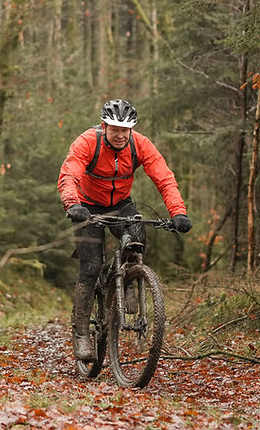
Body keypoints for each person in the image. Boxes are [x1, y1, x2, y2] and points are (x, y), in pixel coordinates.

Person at [58, 98, 192, 363]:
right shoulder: (87, 142)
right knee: (91, 266)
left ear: (131, 129)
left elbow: (164, 178)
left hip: (121, 205)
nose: (120, 135)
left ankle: (129, 280)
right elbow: (69, 173)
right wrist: (73, 204)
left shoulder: (140, 145)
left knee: (137, 238)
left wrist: (178, 212)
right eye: (114, 129)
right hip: (86, 206)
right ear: (104, 125)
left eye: (125, 129)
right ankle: (82, 334)